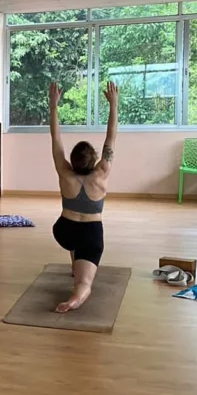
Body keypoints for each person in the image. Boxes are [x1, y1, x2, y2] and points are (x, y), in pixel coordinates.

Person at [48, 81, 119, 313]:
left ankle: (74, 262)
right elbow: (111, 138)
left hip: (64, 231)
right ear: (95, 159)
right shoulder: (102, 173)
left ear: (73, 159)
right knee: (84, 283)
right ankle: (74, 299)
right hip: (90, 234)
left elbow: (56, 139)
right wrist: (114, 104)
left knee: (75, 243)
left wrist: (54, 106)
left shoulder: (64, 172)